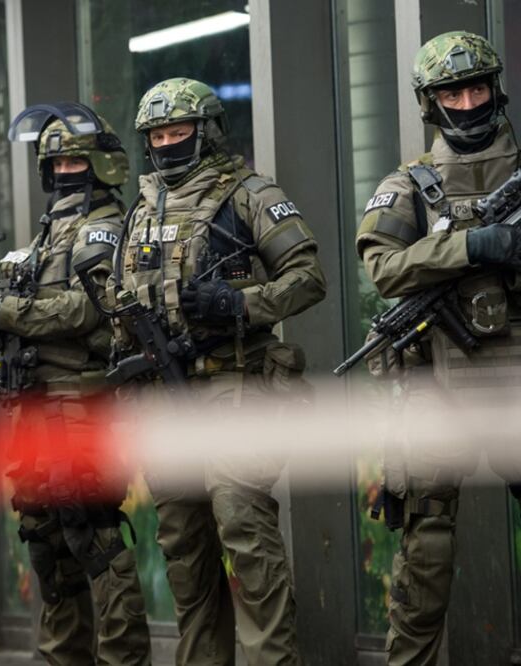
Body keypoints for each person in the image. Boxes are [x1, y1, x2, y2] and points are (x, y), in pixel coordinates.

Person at [355, 31, 521, 665]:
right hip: (433, 391)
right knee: (425, 548)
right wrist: (472, 248)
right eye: (452, 91)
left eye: (477, 88)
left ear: (495, 90)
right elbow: (383, 269)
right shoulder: (408, 187)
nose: (468, 103)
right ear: (430, 102)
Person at [112, 77, 326, 665]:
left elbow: (309, 277)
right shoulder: (139, 208)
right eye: (157, 134)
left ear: (207, 133)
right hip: (164, 401)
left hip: (235, 389)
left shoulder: (250, 193)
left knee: (247, 538)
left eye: (180, 131)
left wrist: (242, 304)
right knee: (184, 549)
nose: (168, 143)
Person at [0, 103, 151, 666]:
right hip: (37, 404)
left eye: (76, 161)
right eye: (57, 162)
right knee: (44, 538)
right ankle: (62, 656)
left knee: (90, 532)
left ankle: (123, 659)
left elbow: (86, 311)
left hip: (83, 402)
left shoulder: (106, 225)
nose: (65, 171)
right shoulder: (50, 231)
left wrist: (5, 313)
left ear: (101, 165)